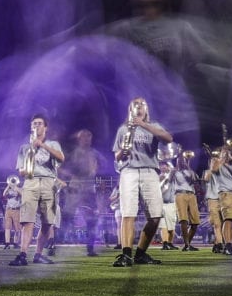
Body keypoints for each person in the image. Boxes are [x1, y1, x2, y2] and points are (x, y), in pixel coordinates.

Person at [111, 97, 173, 267]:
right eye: (135, 105)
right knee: (128, 213)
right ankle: (126, 254)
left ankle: (140, 253)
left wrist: (143, 125)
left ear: (146, 109)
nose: (138, 107)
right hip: (129, 170)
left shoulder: (154, 126)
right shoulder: (123, 129)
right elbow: (116, 155)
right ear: (130, 109)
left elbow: (168, 138)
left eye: (142, 105)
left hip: (150, 171)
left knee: (155, 216)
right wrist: (122, 152)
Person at [9, 114, 65, 266]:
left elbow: (61, 158)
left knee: (48, 222)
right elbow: (21, 171)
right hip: (31, 182)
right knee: (27, 220)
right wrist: (31, 157)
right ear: (31, 127)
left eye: (40, 124)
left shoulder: (53, 144)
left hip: (49, 182)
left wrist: (42, 145)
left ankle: (38, 255)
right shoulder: (24, 147)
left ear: (45, 127)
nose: (37, 126)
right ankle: (22, 254)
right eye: (34, 124)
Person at [62, 129, 102, 257]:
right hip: (75, 187)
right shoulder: (73, 152)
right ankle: (54, 243)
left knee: (91, 219)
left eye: (88, 137)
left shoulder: (94, 153)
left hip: (89, 188)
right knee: (67, 217)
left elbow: (104, 164)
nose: (86, 139)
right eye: (83, 137)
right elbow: (61, 167)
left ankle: (90, 248)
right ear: (79, 139)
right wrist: (69, 180)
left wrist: (98, 172)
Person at [171, 152, 201, 251]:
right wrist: (174, 168)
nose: (182, 161)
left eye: (183, 160)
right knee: (183, 220)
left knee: (195, 222)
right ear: (177, 161)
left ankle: (187, 244)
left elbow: (194, 179)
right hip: (180, 194)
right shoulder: (174, 171)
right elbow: (169, 179)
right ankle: (187, 244)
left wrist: (188, 166)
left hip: (192, 195)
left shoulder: (190, 171)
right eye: (180, 160)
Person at [158, 161, 179, 250]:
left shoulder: (172, 176)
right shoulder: (158, 177)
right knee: (163, 225)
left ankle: (170, 242)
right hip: (161, 204)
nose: (163, 168)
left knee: (171, 226)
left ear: (168, 167)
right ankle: (165, 243)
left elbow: (175, 171)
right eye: (161, 166)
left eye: (165, 166)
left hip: (171, 204)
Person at [2, 176, 22, 250]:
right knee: (7, 227)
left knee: (17, 228)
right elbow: (3, 194)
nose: (13, 182)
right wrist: (9, 185)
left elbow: (22, 194)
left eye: (14, 181)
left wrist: (15, 187)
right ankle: (7, 243)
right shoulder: (8, 190)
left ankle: (16, 243)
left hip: (16, 210)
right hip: (8, 210)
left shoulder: (19, 189)